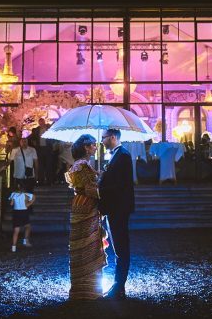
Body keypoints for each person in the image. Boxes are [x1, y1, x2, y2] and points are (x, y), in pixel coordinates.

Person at [66, 134, 105, 300]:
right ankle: (88, 289)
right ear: (86, 147)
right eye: (93, 145)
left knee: (80, 242)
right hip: (87, 204)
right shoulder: (83, 166)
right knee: (88, 242)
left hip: (78, 203)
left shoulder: (79, 165)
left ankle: (80, 287)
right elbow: (91, 189)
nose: (96, 148)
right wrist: (102, 182)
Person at [98, 128, 135, 299]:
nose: (102, 141)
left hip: (118, 208)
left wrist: (99, 188)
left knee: (121, 247)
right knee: (118, 246)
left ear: (113, 137)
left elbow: (121, 185)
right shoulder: (117, 155)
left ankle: (119, 286)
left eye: (104, 138)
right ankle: (118, 285)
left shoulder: (123, 156)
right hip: (115, 207)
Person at [8, 178, 35, 252]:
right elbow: (33, 197)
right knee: (27, 226)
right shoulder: (26, 195)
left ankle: (14, 247)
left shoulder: (13, 194)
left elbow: (11, 204)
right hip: (24, 212)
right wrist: (28, 204)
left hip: (16, 213)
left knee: (16, 230)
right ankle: (25, 241)